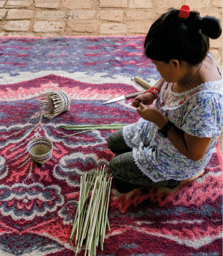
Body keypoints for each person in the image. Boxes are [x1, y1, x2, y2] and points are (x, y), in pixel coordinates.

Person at [107, 5, 223, 190]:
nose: (156, 70)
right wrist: (154, 91)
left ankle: (182, 178)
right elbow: (168, 77)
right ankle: (147, 152)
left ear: (175, 63)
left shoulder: (206, 102)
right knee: (113, 143)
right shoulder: (191, 57)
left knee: (117, 172)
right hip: (160, 130)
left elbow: (194, 153)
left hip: (179, 156)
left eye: (157, 65)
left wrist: (160, 120)